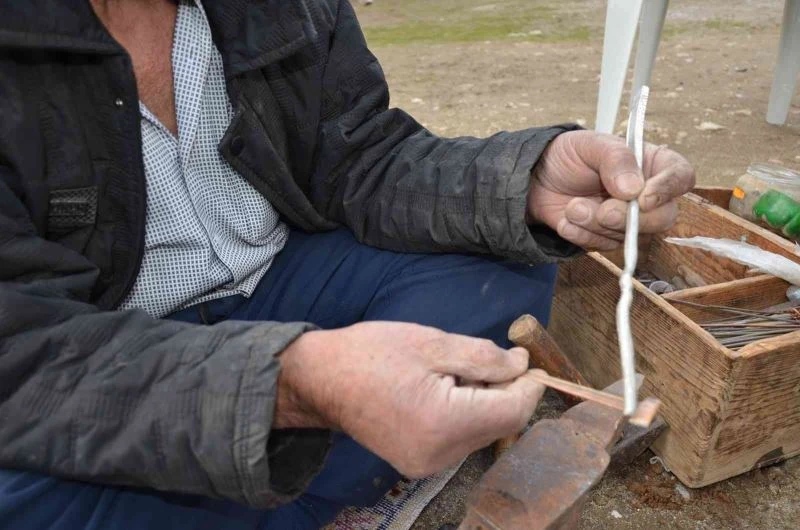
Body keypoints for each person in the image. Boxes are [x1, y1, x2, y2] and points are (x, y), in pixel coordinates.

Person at [0, 1, 694, 529]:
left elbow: (359, 155)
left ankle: (280, 493)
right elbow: (20, 351)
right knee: (25, 486)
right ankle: (318, 479)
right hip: (100, 348)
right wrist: (292, 385)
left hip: (282, 276)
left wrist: (528, 182)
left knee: (498, 263)